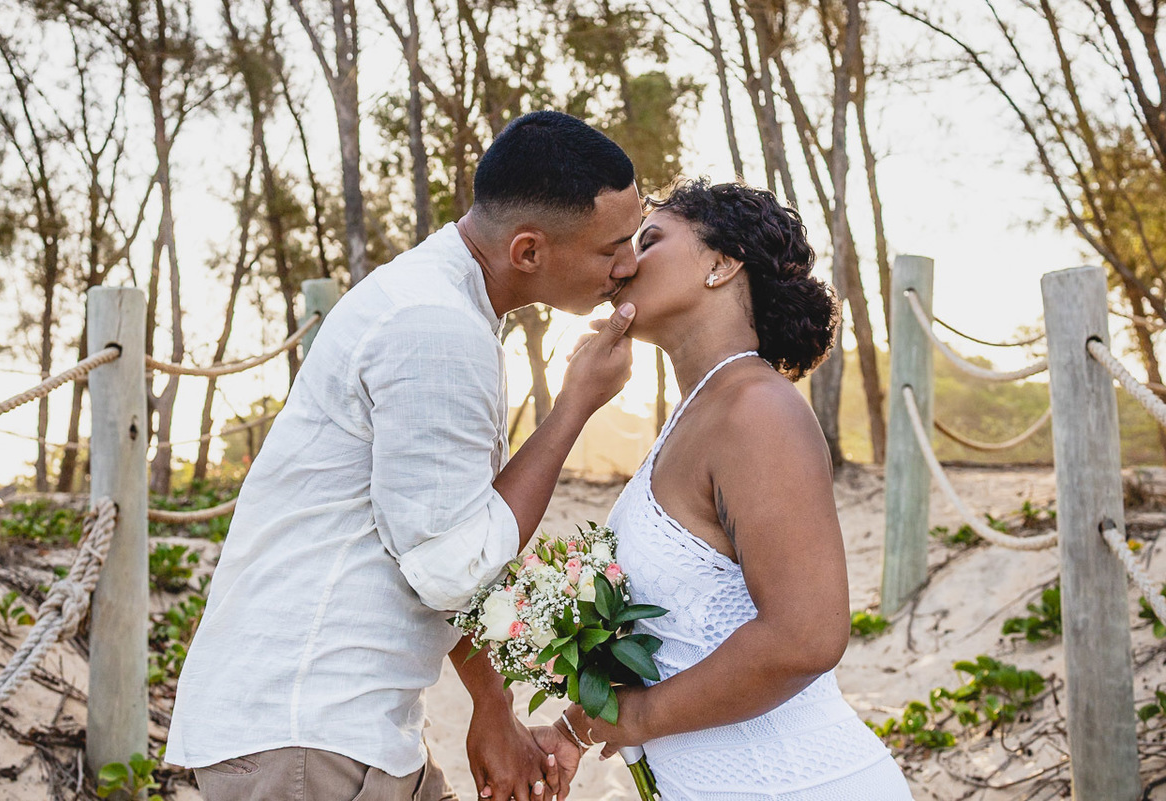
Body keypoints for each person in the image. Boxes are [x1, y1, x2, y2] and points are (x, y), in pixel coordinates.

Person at [165, 110, 644, 801]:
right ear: (528, 251)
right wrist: (575, 405)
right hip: (309, 733)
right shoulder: (434, 326)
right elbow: (452, 566)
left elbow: (431, 539)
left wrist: (493, 705)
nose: (628, 266)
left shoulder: (444, 305)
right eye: (613, 248)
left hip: (348, 729)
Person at [553, 178, 913, 799]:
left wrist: (640, 717)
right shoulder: (698, 413)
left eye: (649, 240)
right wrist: (571, 728)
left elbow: (805, 637)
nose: (624, 262)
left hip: (799, 784)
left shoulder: (756, 410)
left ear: (720, 265)